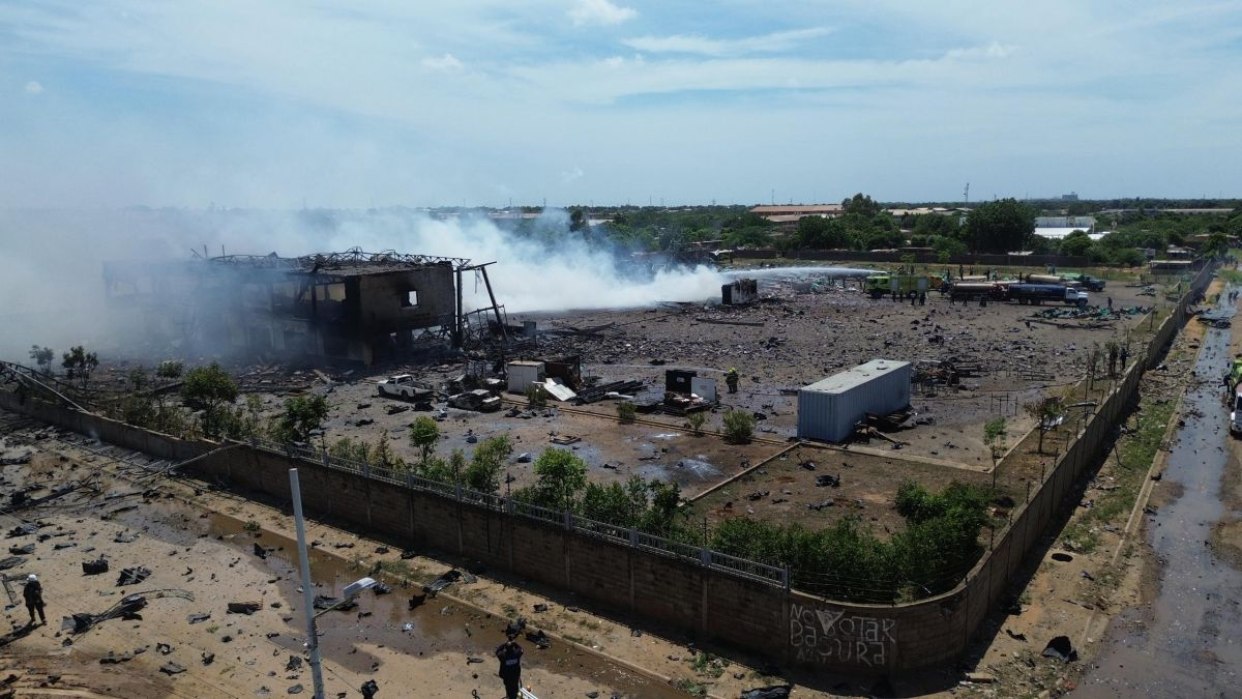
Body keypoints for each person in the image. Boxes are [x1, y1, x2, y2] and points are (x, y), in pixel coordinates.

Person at [495, 632, 524, 699]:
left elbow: (497, 651)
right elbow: (521, 650)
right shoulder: (516, 654)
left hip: (507, 677)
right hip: (515, 676)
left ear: (506, 649)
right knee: (515, 688)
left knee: (508, 688)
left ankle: (509, 696)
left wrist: (504, 644)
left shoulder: (503, 656)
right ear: (513, 648)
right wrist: (515, 644)